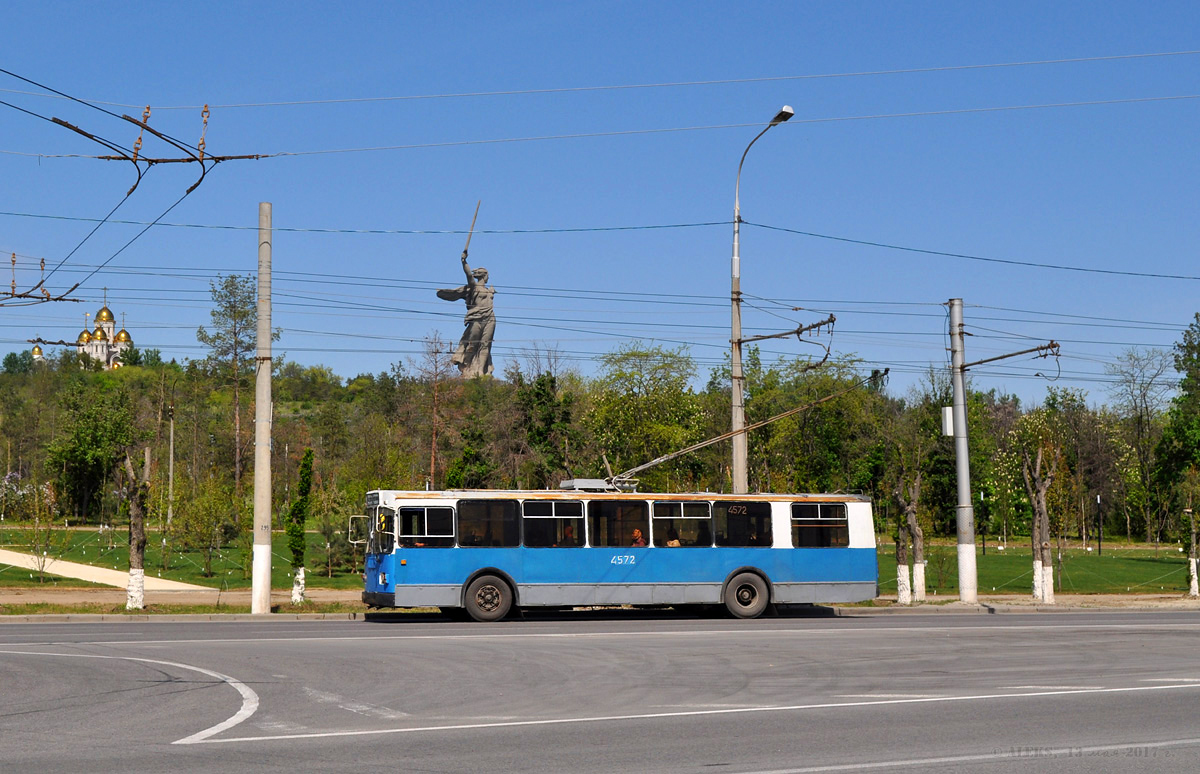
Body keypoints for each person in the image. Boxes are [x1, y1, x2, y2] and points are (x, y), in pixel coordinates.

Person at [436, 249, 496, 378]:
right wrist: (464, 261)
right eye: (487, 275)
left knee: (486, 345)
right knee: (472, 344)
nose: (488, 277)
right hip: (477, 318)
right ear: (484, 275)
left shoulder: (489, 290)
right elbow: (469, 275)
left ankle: (481, 371)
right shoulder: (474, 287)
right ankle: (467, 368)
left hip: (490, 317)